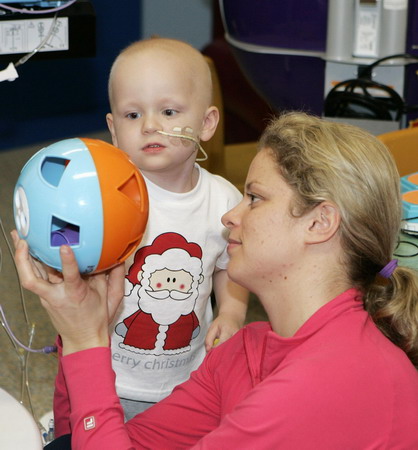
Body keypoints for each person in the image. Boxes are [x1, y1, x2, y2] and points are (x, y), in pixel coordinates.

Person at [14, 112, 418, 449]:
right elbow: (120, 440)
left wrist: (87, 343)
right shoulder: (247, 348)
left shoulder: (323, 382)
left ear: (319, 222)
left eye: (255, 198)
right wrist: (85, 331)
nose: (229, 216)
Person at [53, 37, 249, 431]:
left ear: (207, 123)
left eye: (169, 110)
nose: (150, 125)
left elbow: (231, 264)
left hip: (188, 379)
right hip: (105, 374)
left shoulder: (223, 199)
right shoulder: (106, 196)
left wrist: (232, 310)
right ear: (113, 128)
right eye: (131, 115)